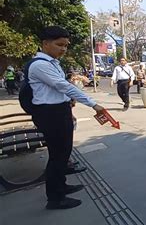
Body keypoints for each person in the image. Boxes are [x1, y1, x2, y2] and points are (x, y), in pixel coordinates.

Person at [27, 26, 105, 209]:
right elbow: (64, 86)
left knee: (63, 153)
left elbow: (59, 89)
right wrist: (93, 104)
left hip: (59, 110)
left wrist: (68, 101)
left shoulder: (52, 63)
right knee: (57, 156)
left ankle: (61, 186)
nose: (63, 49)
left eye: (66, 46)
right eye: (59, 44)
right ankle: (55, 198)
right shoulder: (40, 65)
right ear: (45, 44)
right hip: (50, 114)